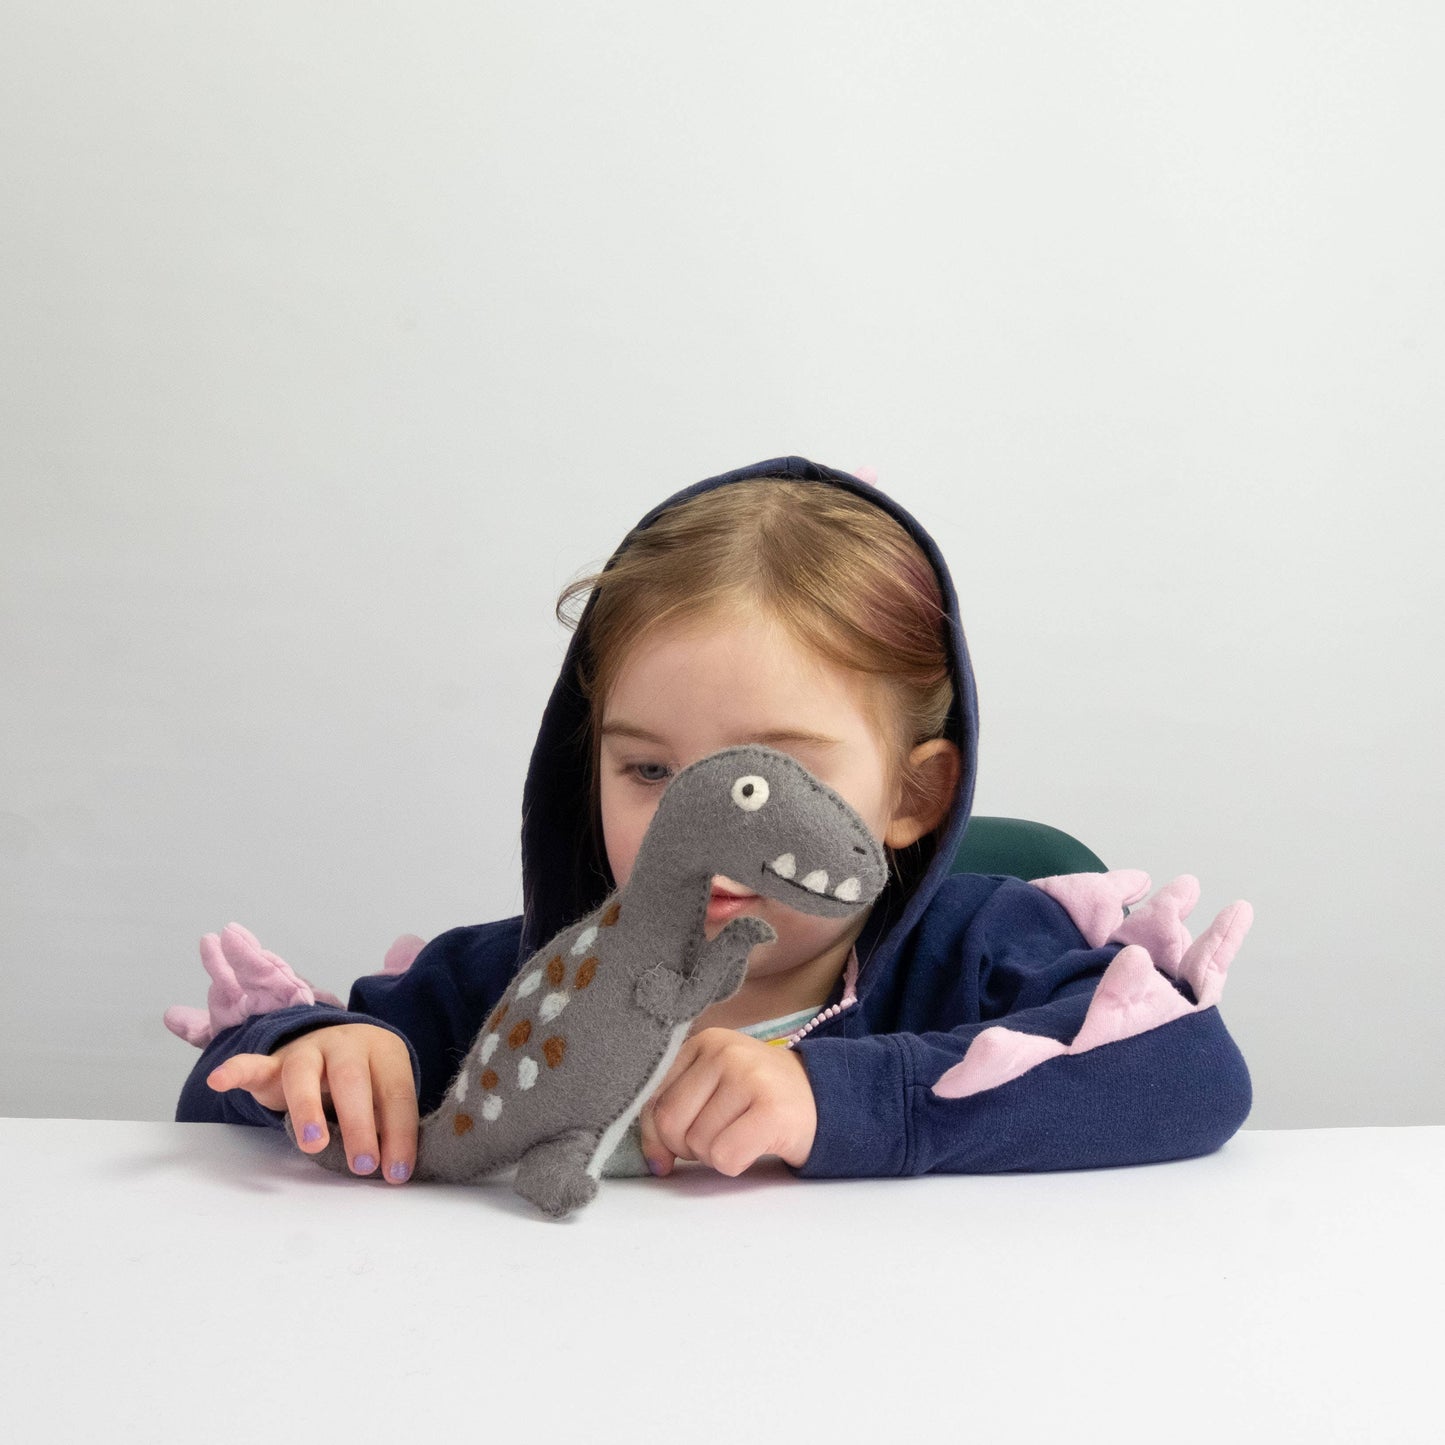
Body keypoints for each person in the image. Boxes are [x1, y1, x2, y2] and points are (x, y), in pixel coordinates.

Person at [179, 455, 1251, 1185]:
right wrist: (322, 1054)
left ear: (913, 793)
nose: (694, 820)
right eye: (647, 765)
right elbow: (219, 1110)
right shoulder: (515, 978)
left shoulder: (985, 954)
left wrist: (829, 1102)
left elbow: (1190, 1074)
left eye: (766, 772)